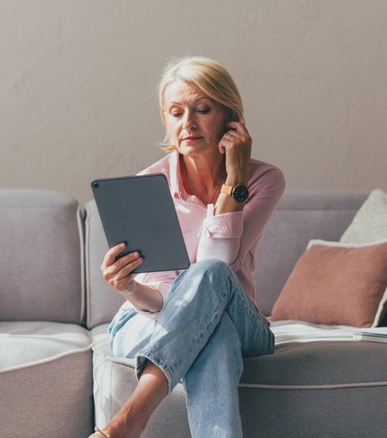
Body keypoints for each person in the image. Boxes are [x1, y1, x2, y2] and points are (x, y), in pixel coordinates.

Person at [91, 56, 285, 438]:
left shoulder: (263, 180)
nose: (188, 124)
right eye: (176, 112)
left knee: (211, 276)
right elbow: (162, 295)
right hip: (147, 316)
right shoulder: (149, 184)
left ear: (230, 116)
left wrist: (234, 181)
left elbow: (219, 266)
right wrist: (128, 288)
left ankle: (129, 421)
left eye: (202, 109)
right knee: (214, 334)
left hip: (244, 320)